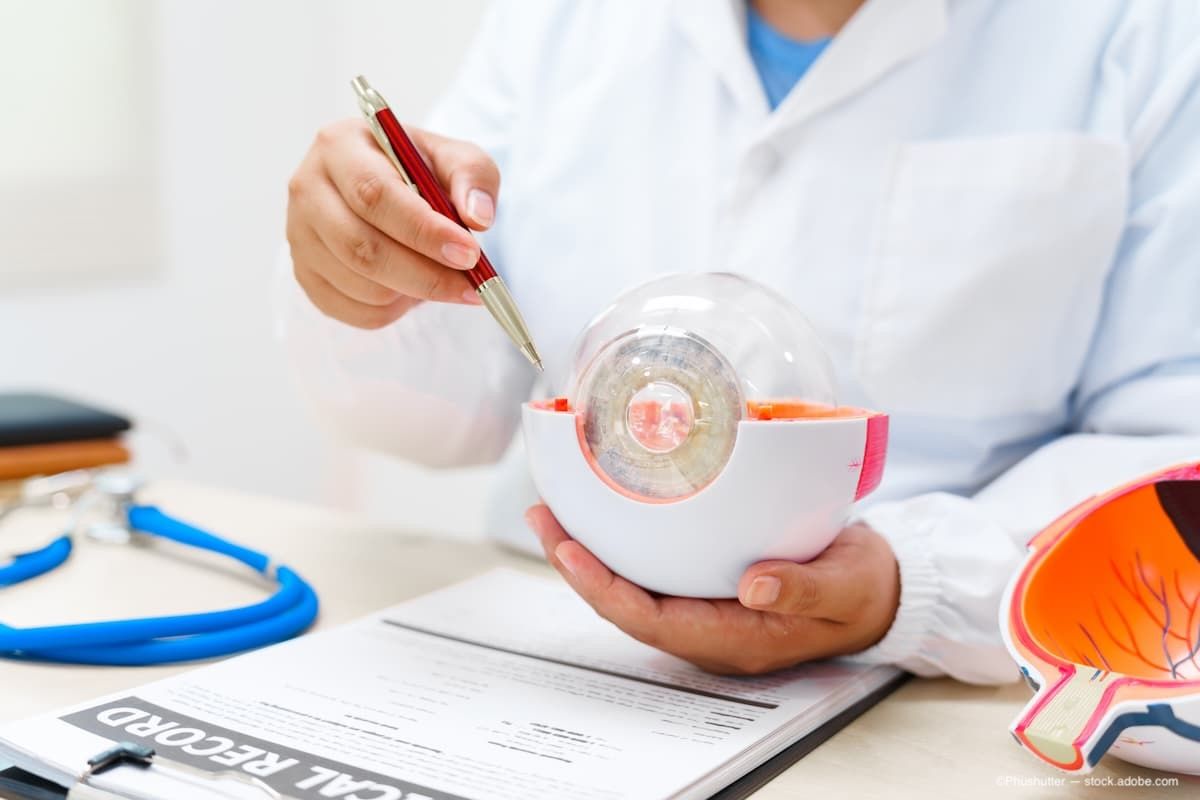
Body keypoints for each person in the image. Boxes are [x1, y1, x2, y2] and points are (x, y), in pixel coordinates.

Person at [282, 0, 1200, 682]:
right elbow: (453, 402)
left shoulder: (1142, 31)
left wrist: (915, 584)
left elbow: (1174, 439)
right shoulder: (560, 21)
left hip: (949, 683)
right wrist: (367, 277)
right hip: (556, 645)